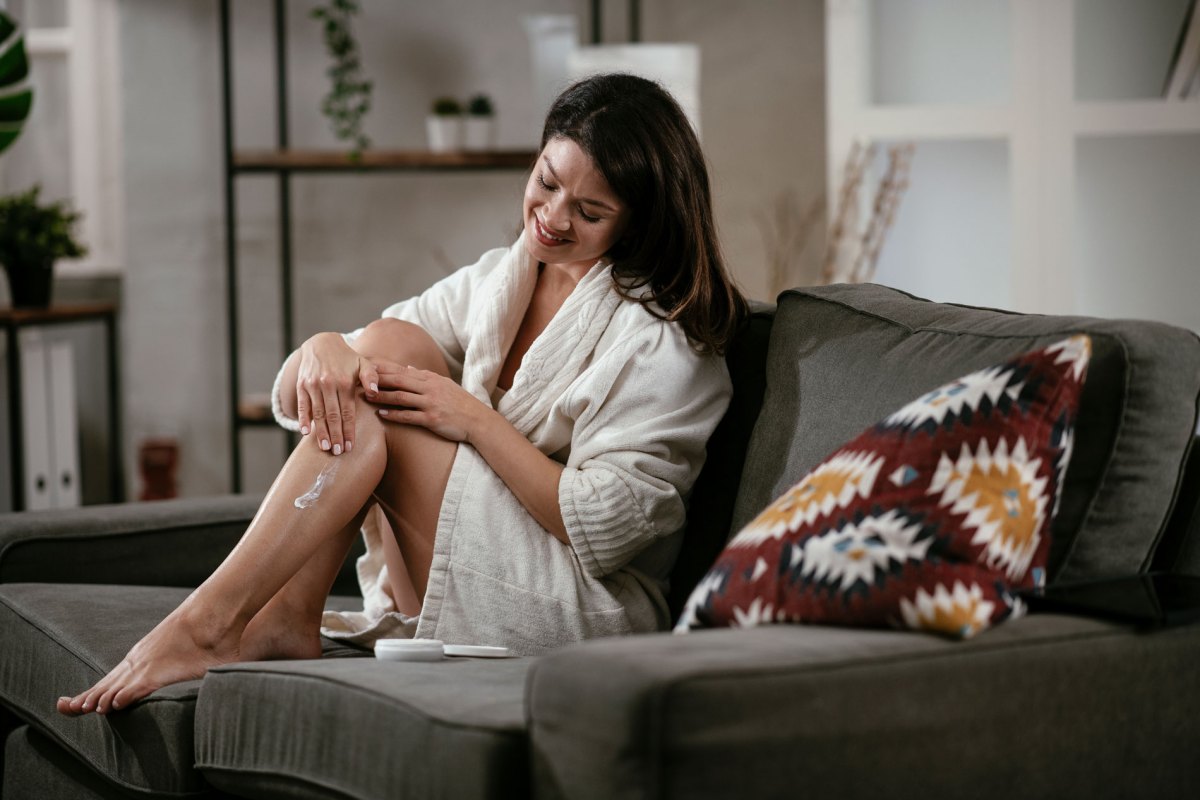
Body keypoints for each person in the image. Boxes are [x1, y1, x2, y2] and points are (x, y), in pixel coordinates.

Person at [58, 73, 747, 716]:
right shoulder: (504, 279)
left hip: (573, 607)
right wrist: (324, 345)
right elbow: (369, 357)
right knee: (389, 346)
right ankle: (282, 619)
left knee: (387, 376)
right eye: (546, 182)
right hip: (464, 562)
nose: (553, 217)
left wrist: (475, 420)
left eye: (590, 210)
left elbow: (602, 527)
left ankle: (215, 621)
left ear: (639, 222)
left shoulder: (665, 342)